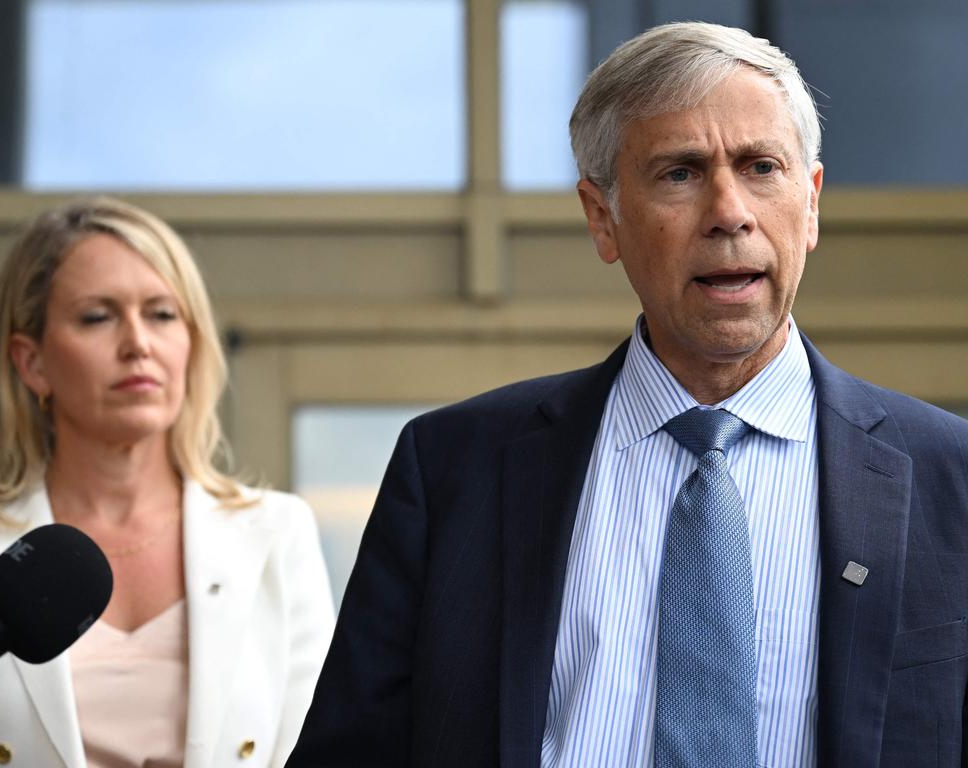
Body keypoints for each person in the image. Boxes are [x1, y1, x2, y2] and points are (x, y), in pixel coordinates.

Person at [286, 21, 968, 768]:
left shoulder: (949, 477)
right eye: (680, 172)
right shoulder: (454, 469)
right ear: (601, 217)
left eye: (760, 167)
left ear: (810, 205)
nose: (729, 211)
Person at [0, 197, 335, 767]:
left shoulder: (277, 530)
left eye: (162, 314)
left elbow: (319, 750)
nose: (138, 344)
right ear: (33, 364)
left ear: (190, 345)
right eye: (97, 317)